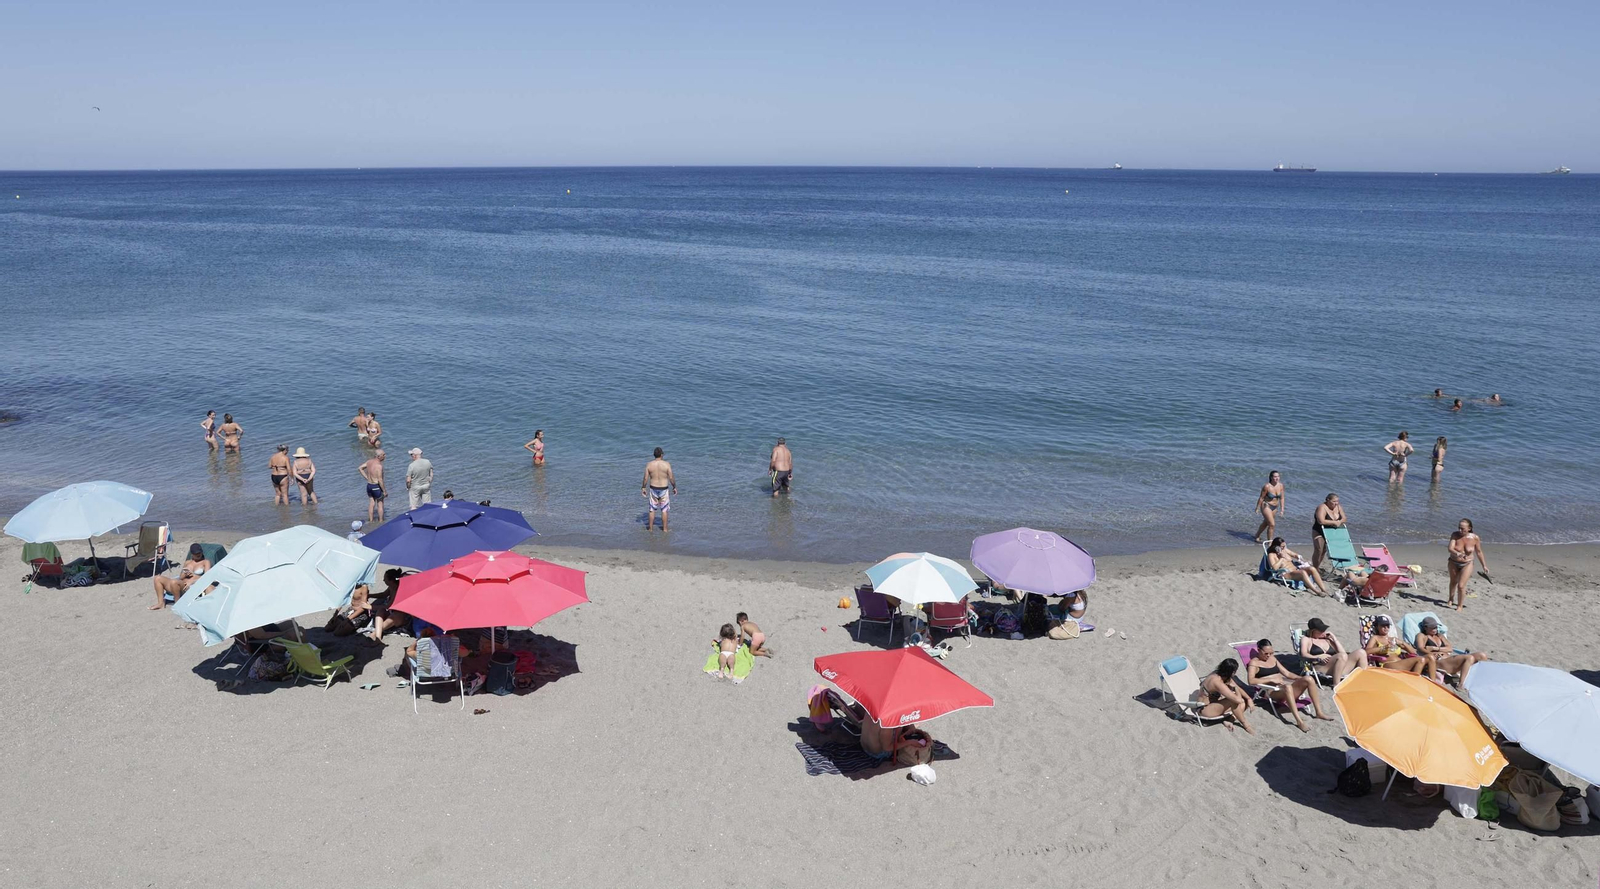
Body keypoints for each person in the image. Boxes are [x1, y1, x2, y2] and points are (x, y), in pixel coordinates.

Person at [1246, 640, 1332, 731]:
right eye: (1266, 653)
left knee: (1309, 679)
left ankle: (1319, 712)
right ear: (1259, 650)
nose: (1268, 655)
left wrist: (1300, 678)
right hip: (1271, 691)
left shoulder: (1272, 658)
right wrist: (1271, 679)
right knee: (1288, 687)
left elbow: (1287, 673)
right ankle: (1299, 721)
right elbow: (1251, 681)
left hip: (1285, 688)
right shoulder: (1254, 663)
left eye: (1271, 653)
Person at [1363, 616, 1439, 681]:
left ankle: (1434, 683)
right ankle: (1414, 683)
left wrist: (1403, 643)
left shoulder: (1393, 639)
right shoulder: (1375, 638)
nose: (1386, 628)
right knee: (1420, 659)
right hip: (1388, 665)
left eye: (1387, 626)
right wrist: (1382, 648)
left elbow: (1413, 652)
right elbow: (1366, 651)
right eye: (1383, 626)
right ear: (1377, 626)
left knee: (1430, 657)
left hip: (1402, 663)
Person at [1415, 616, 1490, 681]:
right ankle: (1461, 685)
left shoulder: (1440, 635)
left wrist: (1434, 648)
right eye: (1432, 627)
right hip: (1439, 662)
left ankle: (1482, 678)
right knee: (1469, 657)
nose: (1435, 629)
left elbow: (1450, 649)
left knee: (1482, 655)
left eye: (1436, 627)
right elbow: (1420, 648)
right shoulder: (1422, 636)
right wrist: (1431, 654)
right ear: (1425, 627)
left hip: (1449, 659)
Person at [1299, 618, 1366, 685]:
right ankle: (1336, 685)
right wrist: (1318, 656)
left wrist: (1334, 639)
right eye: (1320, 631)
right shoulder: (1306, 639)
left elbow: (1343, 652)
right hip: (1321, 666)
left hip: (1338, 667)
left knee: (1361, 652)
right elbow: (1303, 654)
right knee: (1342, 656)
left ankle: (1362, 681)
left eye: (1324, 630)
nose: (1323, 632)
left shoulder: (1328, 640)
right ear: (1313, 631)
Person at [1199, 659, 1255, 734]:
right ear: (1233, 672)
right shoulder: (1217, 682)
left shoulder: (1217, 673)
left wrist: (1248, 698)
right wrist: (1235, 689)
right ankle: (1245, 724)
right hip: (1204, 709)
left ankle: (1229, 721)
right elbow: (1237, 699)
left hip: (1213, 704)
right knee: (1235, 701)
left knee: (1243, 702)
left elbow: (1235, 685)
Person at [150, 544, 211, 610]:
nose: (198, 554)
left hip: (191, 587)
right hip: (181, 584)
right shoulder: (188, 562)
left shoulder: (205, 562)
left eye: (199, 552)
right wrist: (185, 574)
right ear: (192, 554)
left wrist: (193, 578)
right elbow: (181, 577)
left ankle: (178, 603)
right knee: (157, 578)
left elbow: (207, 577)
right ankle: (160, 603)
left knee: (174, 582)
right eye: (196, 553)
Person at [1447, 518, 1490, 611]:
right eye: (1459, 528)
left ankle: (1460, 606)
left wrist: (1484, 565)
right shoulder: (1455, 535)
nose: (1460, 530)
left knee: (1461, 585)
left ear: (1469, 528)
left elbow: (1479, 552)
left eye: (1462, 528)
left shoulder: (1475, 538)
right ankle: (1451, 598)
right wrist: (1456, 553)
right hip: (1453, 562)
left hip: (1467, 563)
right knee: (1453, 581)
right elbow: (1450, 548)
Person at [1265, 537, 1329, 596]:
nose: (1284, 548)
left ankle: (1324, 590)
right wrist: (1281, 558)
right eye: (1282, 546)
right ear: (1276, 547)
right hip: (1285, 573)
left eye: (1284, 546)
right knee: (1302, 572)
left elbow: (1295, 555)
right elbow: (1274, 568)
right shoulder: (1271, 555)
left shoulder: (1285, 550)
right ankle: (1317, 592)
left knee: (1312, 569)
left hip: (1295, 570)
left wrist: (1301, 559)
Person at [642, 447, 677, 532]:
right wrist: (674, 486)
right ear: (662, 454)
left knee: (652, 509)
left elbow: (646, 478)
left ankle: (650, 529)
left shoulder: (649, 464)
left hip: (653, 488)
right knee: (664, 510)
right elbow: (671, 477)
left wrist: (643, 487)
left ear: (654, 455)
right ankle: (665, 529)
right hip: (664, 489)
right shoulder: (666, 464)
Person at [1310, 494, 1346, 573]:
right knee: (1319, 549)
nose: (1336, 503)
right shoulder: (1322, 507)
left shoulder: (1338, 507)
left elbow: (1344, 518)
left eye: (1337, 501)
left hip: (1330, 532)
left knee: (1324, 550)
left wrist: (1339, 521)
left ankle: (1317, 566)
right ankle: (1314, 569)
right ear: (1328, 500)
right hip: (1319, 530)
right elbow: (1321, 521)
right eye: (1334, 501)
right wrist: (1334, 522)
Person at [1253, 471, 1285, 543]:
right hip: (1266, 505)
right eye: (1275, 476)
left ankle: (1257, 535)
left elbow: (1282, 498)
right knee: (1272, 524)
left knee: (1266, 523)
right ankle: (1270, 542)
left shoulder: (1281, 486)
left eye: (1278, 476)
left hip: (1275, 507)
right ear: (1271, 477)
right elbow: (1261, 497)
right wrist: (1257, 507)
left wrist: (1282, 509)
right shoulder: (1267, 486)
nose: (1277, 478)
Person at [360, 449, 387, 523]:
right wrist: (384, 491)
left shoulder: (369, 462)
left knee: (371, 503)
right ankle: (381, 521)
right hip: (376, 486)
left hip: (369, 486)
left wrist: (367, 477)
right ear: (379, 456)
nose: (385, 456)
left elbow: (360, 468)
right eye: (383, 455)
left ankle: (371, 520)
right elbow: (380, 480)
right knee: (380, 504)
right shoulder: (379, 466)